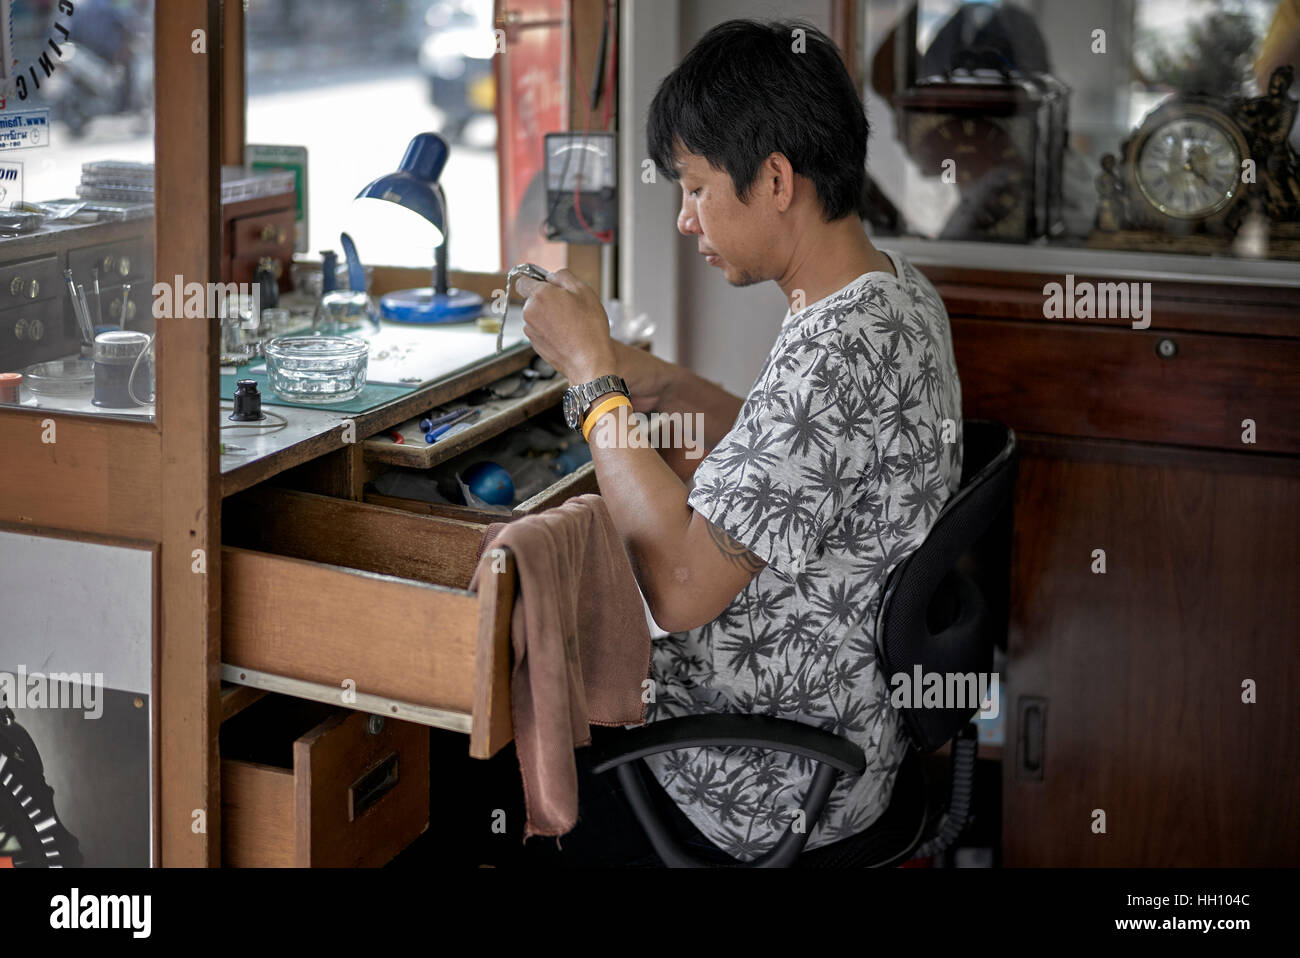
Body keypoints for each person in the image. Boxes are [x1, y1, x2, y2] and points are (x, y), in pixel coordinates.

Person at [507, 17, 963, 865]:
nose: (685, 220)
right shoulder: (892, 293)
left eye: (695, 189)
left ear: (777, 179)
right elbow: (786, 449)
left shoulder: (834, 354)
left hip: (762, 779)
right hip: (848, 728)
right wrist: (651, 376)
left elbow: (679, 589)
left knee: (500, 749)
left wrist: (593, 385)